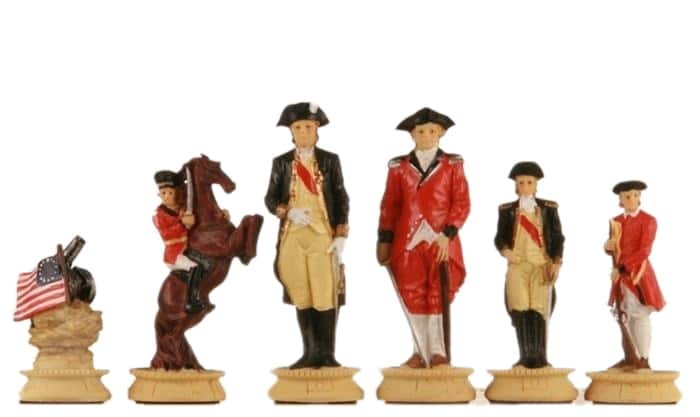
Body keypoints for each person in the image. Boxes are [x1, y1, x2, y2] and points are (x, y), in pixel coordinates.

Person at [377, 107, 470, 368]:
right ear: (412, 135)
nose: (426, 136)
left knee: (438, 293)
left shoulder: (452, 165)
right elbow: (390, 205)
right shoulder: (399, 168)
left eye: (431, 131)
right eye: (420, 131)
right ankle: (419, 350)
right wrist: (384, 239)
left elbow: (461, 202)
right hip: (409, 240)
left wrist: (447, 234)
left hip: (440, 239)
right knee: (412, 291)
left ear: (440, 133)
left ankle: (438, 351)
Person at [264, 102, 349, 369]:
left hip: (321, 234)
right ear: (291, 131)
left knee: (324, 292)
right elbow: (270, 199)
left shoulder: (330, 160)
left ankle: (327, 354)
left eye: (308, 127)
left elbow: (341, 197)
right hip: (292, 235)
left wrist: (341, 233)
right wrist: (288, 212)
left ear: (317, 129)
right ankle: (310, 352)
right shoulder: (281, 163)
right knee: (300, 291)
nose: (303, 132)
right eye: (298, 127)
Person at [494, 161, 564, 368]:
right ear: (516, 186)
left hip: (541, 264)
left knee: (539, 309)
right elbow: (500, 237)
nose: (525, 186)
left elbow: (557, 237)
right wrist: (505, 250)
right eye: (521, 183)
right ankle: (525, 356)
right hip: (517, 264)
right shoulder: (507, 210)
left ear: (536, 185)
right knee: (520, 308)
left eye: (529, 182)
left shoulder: (548, 209)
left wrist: (556, 262)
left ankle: (540, 356)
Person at [605, 180, 665, 370]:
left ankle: (644, 358)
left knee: (640, 314)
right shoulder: (616, 221)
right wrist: (607, 246)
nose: (632, 199)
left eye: (635, 195)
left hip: (638, 275)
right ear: (621, 200)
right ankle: (632, 356)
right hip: (620, 276)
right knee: (625, 316)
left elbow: (644, 251)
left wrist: (623, 268)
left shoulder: (648, 220)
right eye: (627, 196)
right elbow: (613, 247)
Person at [153, 170, 212, 314]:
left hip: (187, 250)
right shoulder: (159, 216)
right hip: (174, 255)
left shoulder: (183, 209)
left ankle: (187, 279)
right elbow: (167, 235)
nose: (166, 196)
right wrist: (182, 223)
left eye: (170, 193)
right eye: (163, 193)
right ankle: (191, 302)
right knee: (195, 267)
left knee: (208, 264)